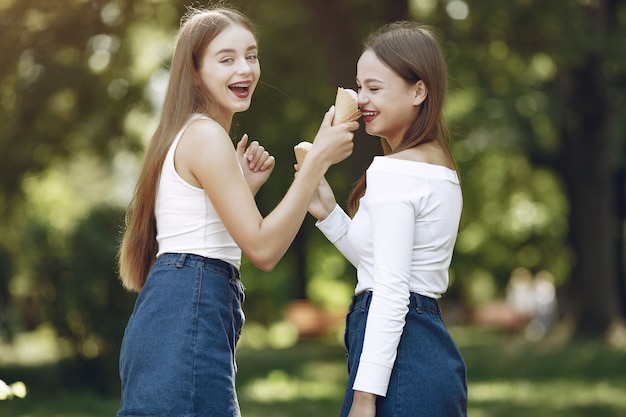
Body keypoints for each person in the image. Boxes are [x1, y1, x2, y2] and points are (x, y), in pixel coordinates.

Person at [116, 6, 358, 417]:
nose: (244, 69)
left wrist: (240, 191)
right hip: (187, 312)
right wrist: (317, 161)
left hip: (174, 312)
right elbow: (264, 250)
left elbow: (201, 231)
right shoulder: (206, 136)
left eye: (251, 55)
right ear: (194, 72)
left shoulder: (191, 132)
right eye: (226, 59)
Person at [305, 21, 467, 416]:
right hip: (426, 354)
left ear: (419, 90)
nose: (361, 99)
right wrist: (328, 214)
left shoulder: (396, 171)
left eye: (374, 88)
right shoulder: (439, 167)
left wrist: (364, 398)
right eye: (359, 87)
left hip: (401, 364)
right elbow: (383, 266)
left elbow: (392, 291)